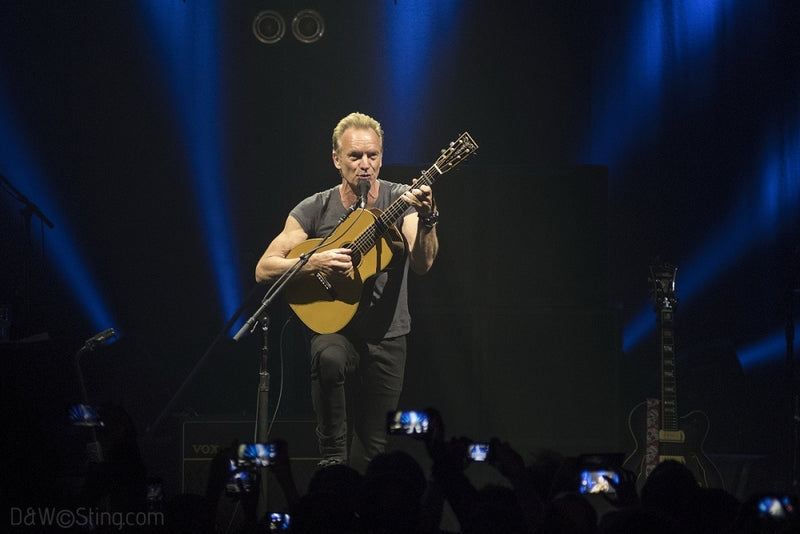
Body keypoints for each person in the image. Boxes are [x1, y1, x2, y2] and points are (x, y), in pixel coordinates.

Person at [254, 111, 439, 469]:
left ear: (382, 157)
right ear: (337, 159)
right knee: (328, 357)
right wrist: (315, 261)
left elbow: (422, 263)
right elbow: (264, 269)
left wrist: (429, 219)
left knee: (372, 450)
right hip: (333, 326)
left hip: (388, 336)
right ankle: (332, 456)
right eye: (355, 157)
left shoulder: (402, 199)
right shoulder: (315, 207)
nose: (365, 165)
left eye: (372, 156)